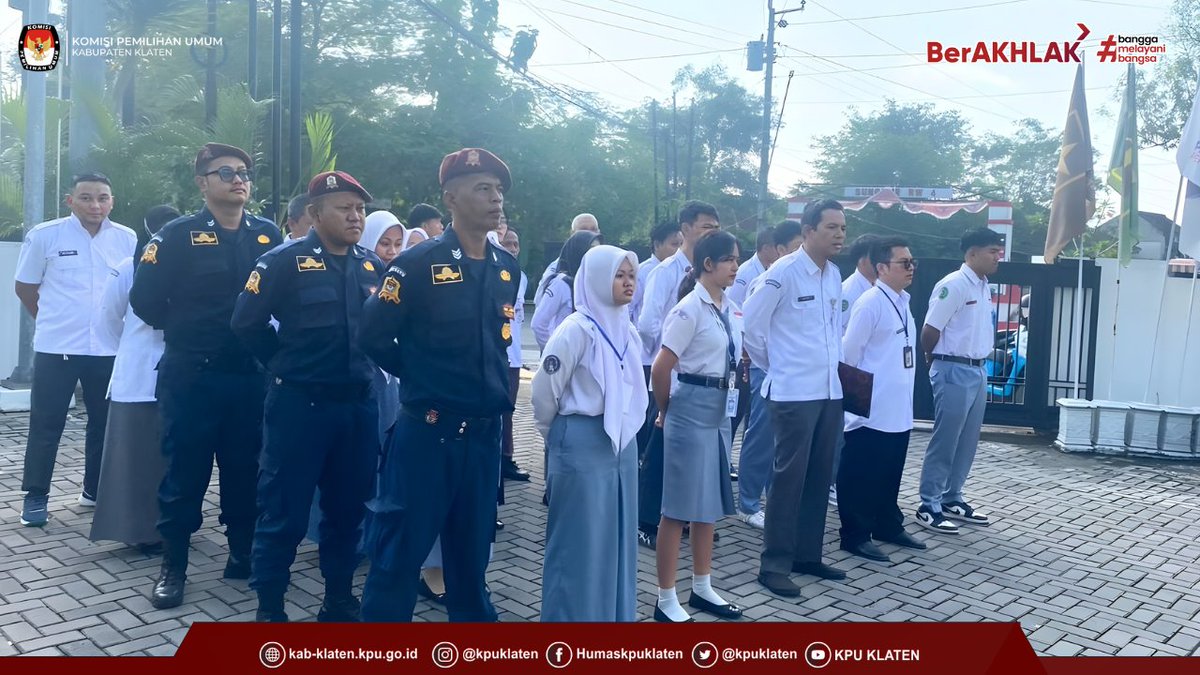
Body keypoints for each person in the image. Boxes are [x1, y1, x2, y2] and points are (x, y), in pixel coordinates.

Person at [358, 147, 520, 623]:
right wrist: (420, 373)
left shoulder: (505, 267)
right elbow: (372, 336)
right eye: (482, 189)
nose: (495, 199)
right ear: (451, 198)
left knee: (470, 565)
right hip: (428, 436)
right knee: (397, 560)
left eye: (498, 190)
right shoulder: (417, 264)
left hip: (483, 439)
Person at [129, 143, 283, 609]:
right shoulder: (176, 236)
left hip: (248, 376)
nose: (239, 180)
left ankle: (241, 553)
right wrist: (187, 330)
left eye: (244, 173)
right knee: (185, 470)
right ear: (202, 183)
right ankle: (173, 565)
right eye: (226, 173)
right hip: (193, 375)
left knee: (246, 468)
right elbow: (145, 300)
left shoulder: (267, 234)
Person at [230, 170, 381, 622]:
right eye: (344, 208)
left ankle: (338, 599)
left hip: (357, 408)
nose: (355, 217)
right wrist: (283, 364)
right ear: (314, 214)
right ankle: (270, 607)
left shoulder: (371, 265)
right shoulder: (283, 261)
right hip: (300, 407)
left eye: (360, 209)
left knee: (347, 511)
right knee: (284, 512)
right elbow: (245, 322)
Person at [14, 172, 137, 527]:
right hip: (58, 347)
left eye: (102, 198)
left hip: (109, 347)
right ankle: (36, 496)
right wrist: (51, 319)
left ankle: (94, 490)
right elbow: (25, 287)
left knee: (104, 423)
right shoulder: (45, 235)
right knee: (46, 422)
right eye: (86, 197)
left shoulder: (127, 238)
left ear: (112, 202)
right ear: (70, 201)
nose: (95, 205)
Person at [532, 245, 646, 622]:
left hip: (621, 445)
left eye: (631, 275)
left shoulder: (626, 328)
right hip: (581, 441)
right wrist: (561, 438)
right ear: (596, 279)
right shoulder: (575, 330)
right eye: (619, 275)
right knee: (579, 541)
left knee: (617, 535)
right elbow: (544, 394)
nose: (628, 282)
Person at [743, 198, 847, 598]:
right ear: (807, 231)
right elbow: (752, 327)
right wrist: (778, 365)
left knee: (820, 476)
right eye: (831, 227)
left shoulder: (834, 274)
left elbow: (832, 330)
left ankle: (807, 555)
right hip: (793, 392)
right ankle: (773, 565)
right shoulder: (783, 272)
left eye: (842, 228)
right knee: (788, 480)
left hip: (828, 391)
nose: (839, 234)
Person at [650, 230, 743, 623]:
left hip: (719, 409)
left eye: (737, 259)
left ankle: (702, 586)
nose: (736, 266)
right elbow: (661, 368)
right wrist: (667, 410)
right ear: (708, 264)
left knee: (707, 504)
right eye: (729, 259)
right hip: (690, 407)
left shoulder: (728, 306)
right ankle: (665, 597)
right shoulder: (689, 309)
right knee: (677, 508)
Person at [89, 205, 180, 548]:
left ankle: (172, 528)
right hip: (139, 378)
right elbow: (106, 322)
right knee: (136, 460)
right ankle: (138, 533)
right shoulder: (128, 268)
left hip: (183, 374)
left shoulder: (193, 266)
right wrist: (134, 349)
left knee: (173, 461)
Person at [635, 200, 720, 549]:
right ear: (685, 229)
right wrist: (672, 351)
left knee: (684, 455)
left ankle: (680, 516)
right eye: (705, 227)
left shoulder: (709, 270)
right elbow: (647, 324)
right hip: (667, 373)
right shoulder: (666, 271)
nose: (712, 233)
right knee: (659, 452)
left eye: (715, 228)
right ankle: (645, 522)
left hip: (698, 379)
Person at [837, 237, 927, 562]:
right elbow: (849, 354)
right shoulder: (870, 303)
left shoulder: (903, 301)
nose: (911, 267)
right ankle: (855, 534)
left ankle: (887, 524)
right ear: (882, 268)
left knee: (890, 469)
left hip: (898, 407)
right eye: (904, 262)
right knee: (862, 472)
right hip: (871, 409)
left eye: (912, 262)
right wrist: (856, 402)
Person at [916, 227, 1003, 534]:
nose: (997, 257)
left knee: (967, 440)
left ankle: (952, 497)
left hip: (977, 369)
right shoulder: (953, 284)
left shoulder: (983, 285)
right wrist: (933, 359)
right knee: (946, 439)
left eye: (998, 251)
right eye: (992, 251)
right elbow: (930, 330)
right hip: (952, 367)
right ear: (972, 253)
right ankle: (929, 503)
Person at [736, 220, 804, 530]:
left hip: (791, 371)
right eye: (796, 247)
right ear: (779, 249)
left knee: (781, 440)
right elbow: (750, 329)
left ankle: (772, 498)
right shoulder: (766, 281)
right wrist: (767, 363)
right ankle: (748, 503)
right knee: (761, 436)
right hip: (767, 369)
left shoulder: (807, 280)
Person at [829, 233, 880, 507]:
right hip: (849, 371)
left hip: (865, 373)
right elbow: (839, 333)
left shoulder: (876, 288)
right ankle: (832, 482)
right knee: (841, 432)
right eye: (876, 257)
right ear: (862, 260)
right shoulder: (849, 290)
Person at [632, 221, 683, 454]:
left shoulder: (683, 269)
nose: (678, 249)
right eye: (673, 244)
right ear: (657, 244)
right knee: (645, 413)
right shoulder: (645, 272)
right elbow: (635, 315)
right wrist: (652, 347)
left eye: (681, 243)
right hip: (646, 355)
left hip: (665, 357)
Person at [531, 230, 602, 349]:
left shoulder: (597, 284)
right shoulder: (561, 283)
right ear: (579, 250)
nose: (596, 254)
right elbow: (538, 324)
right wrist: (554, 351)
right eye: (591, 249)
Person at [500, 227, 531, 482]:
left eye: (515, 244)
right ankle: (498, 459)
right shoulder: (495, 272)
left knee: (508, 410)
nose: (512, 248)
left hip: (514, 356)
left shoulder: (521, 276)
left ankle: (507, 458)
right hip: (498, 354)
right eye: (507, 243)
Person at [534, 213, 601, 304]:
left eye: (594, 229)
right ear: (572, 234)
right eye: (583, 230)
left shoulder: (607, 267)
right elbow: (540, 303)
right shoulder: (556, 270)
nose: (590, 234)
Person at [727, 227, 779, 308]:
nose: (780, 251)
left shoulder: (771, 268)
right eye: (777, 247)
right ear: (766, 248)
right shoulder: (745, 273)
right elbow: (732, 304)